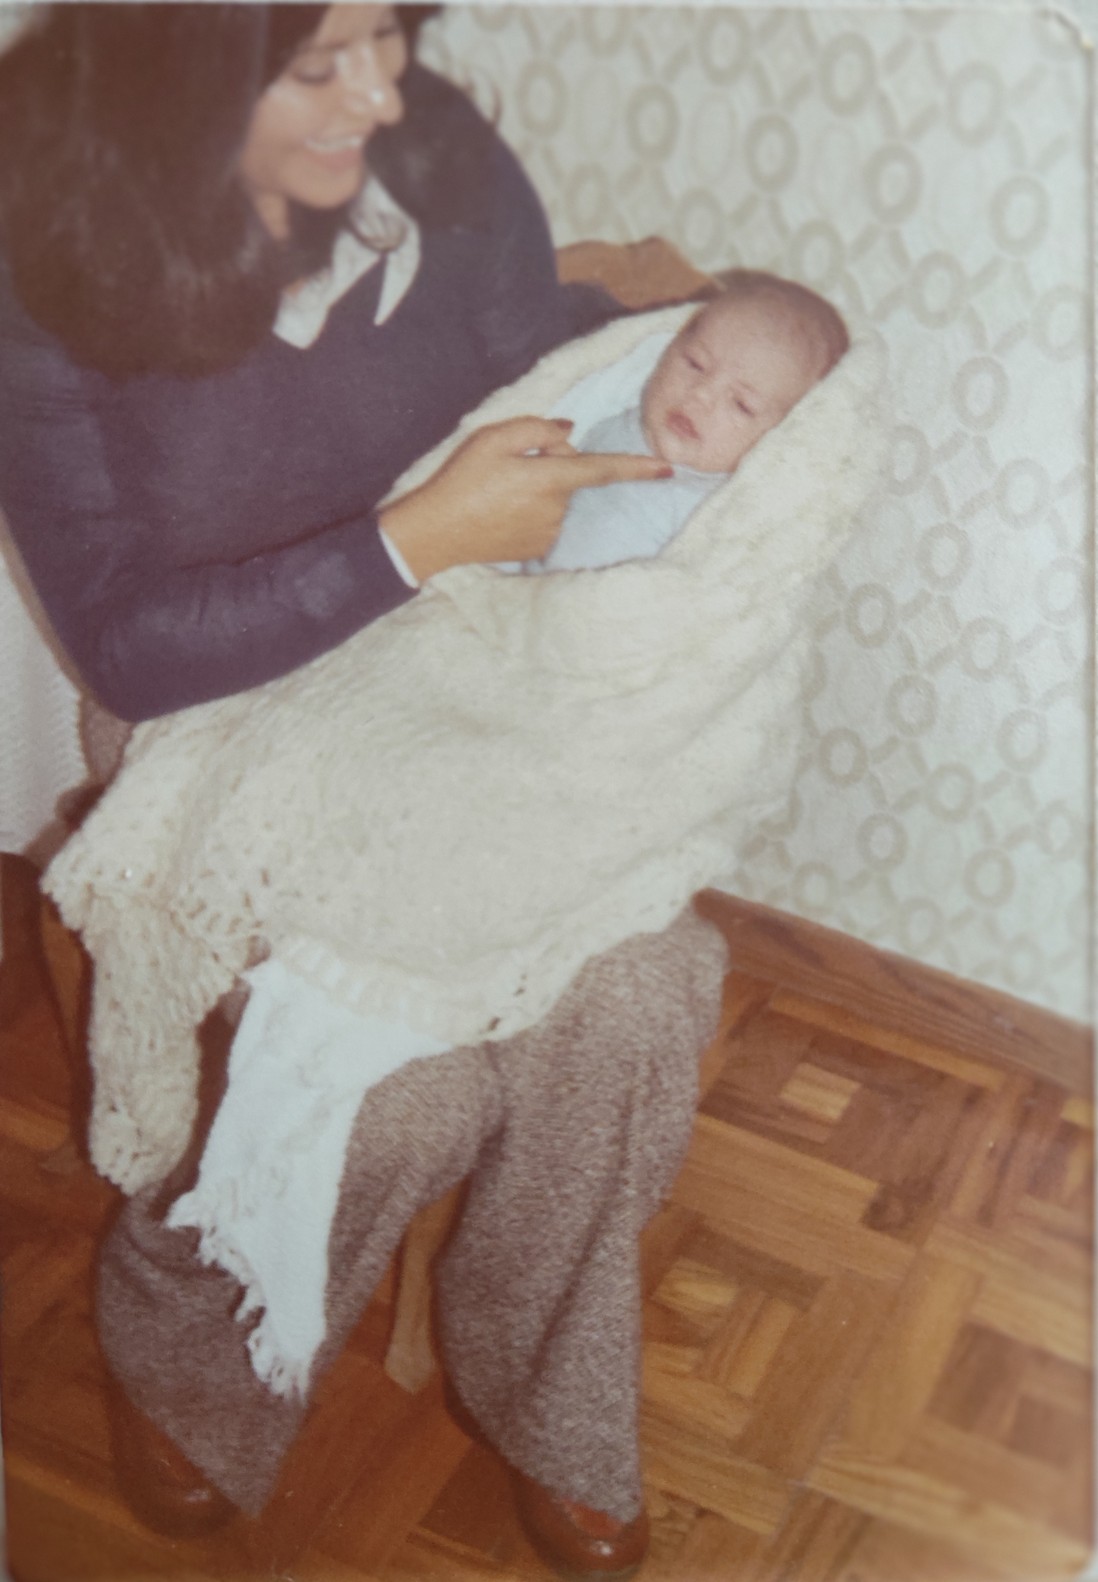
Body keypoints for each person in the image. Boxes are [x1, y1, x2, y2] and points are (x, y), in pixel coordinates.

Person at [0, 6, 730, 1574]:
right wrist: (409, 541)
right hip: (218, 714)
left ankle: (551, 1387)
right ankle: (182, 1336)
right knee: (405, 1081)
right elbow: (126, 645)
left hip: (460, 662)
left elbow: (524, 349)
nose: (384, 93)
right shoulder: (42, 259)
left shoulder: (436, 149)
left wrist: (684, 367)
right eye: (320, 61)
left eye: (391, 32)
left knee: (645, 983)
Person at [536, 271, 849, 571]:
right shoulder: (610, 409)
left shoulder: (714, 513)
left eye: (741, 405)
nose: (701, 394)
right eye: (695, 364)